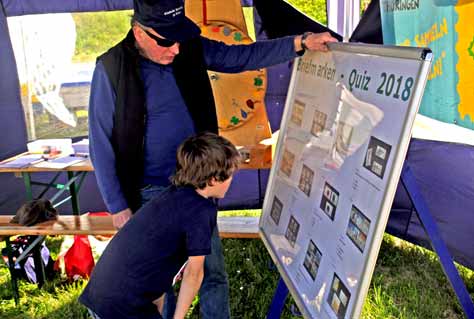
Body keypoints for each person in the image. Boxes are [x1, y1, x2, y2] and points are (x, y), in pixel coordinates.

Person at [88, 0, 338, 317]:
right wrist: (118, 208)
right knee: (158, 281)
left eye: (179, 37)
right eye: (166, 41)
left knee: (211, 271)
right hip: (149, 193)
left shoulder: (188, 47)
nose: (176, 49)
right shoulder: (110, 68)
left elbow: (242, 56)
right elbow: (100, 142)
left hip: (197, 187)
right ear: (139, 32)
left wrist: (300, 43)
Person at [80, 132, 241, 319]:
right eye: (229, 174)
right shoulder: (200, 211)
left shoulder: (171, 194)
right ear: (213, 179)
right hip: (123, 305)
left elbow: (155, 259)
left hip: (102, 294)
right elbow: (194, 275)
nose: (231, 179)